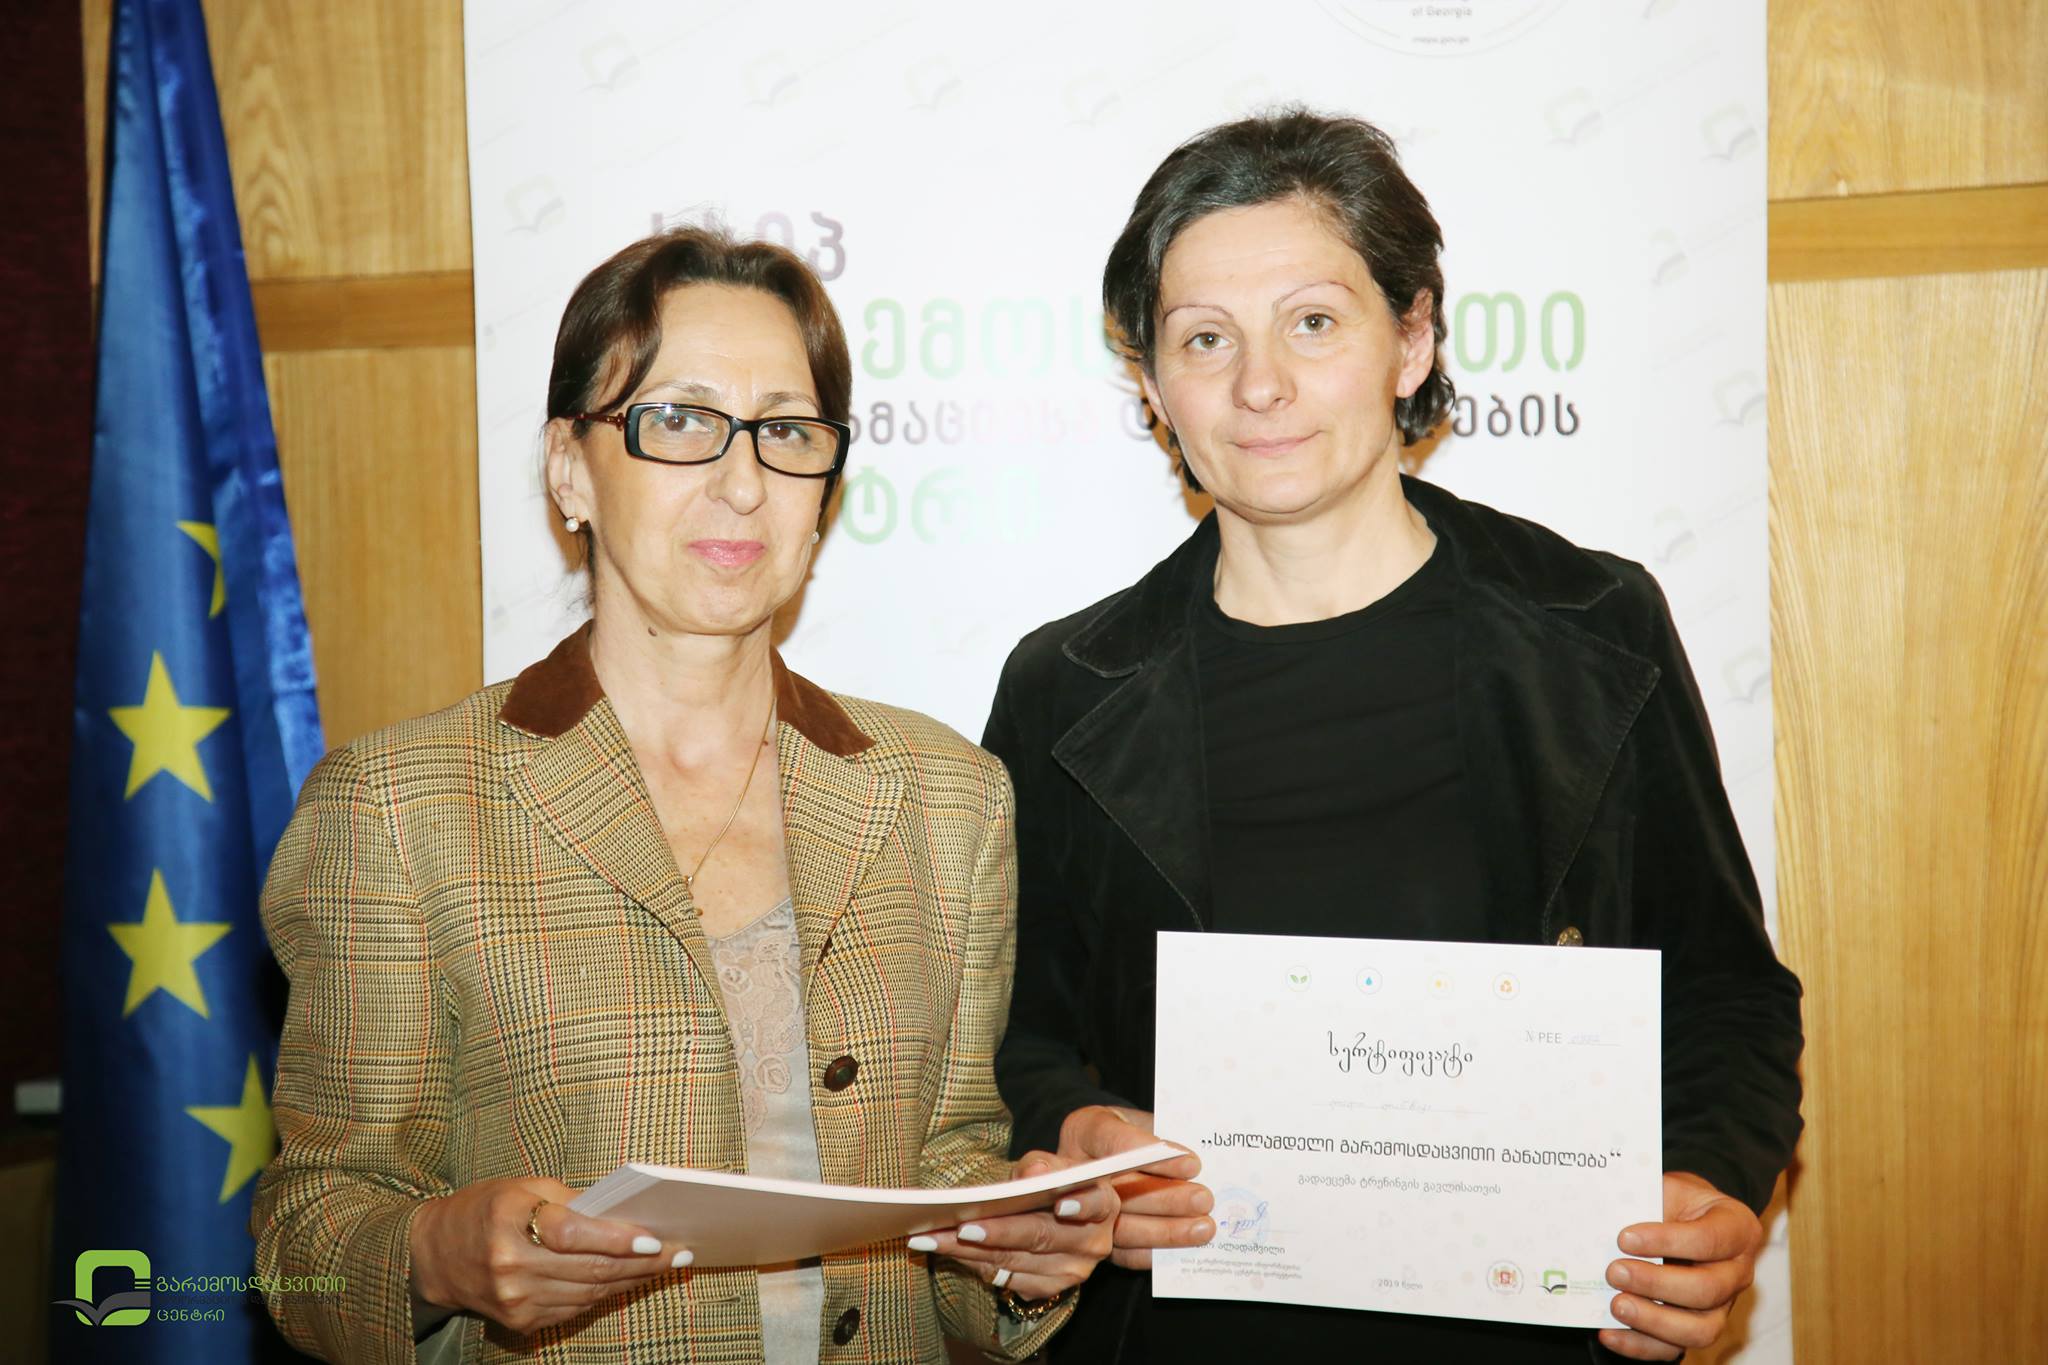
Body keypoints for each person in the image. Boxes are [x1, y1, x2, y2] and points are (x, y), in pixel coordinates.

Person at [984, 109, 1804, 1363]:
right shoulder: (1062, 687)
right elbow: (1016, 1036)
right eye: (1203, 339)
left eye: (1312, 323)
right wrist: (1076, 1130)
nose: (1259, 384)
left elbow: (1724, 993)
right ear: (1150, 384)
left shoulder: (1597, 625)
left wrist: (1706, 1187)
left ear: (1410, 339)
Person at [251, 227, 1121, 1365]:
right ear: (569, 467)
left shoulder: (946, 798)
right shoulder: (398, 808)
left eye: (786, 431)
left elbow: (948, 1178)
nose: (742, 482)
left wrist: (1019, 1254)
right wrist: (433, 1253)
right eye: (678, 420)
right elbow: (303, 1239)